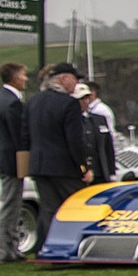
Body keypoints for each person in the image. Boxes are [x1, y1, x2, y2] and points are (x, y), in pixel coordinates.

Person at [26, 62, 97, 229]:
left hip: (39, 167)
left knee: (48, 211)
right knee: (75, 208)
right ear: (63, 79)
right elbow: (75, 140)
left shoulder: (33, 101)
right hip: (64, 169)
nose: (77, 84)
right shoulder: (69, 103)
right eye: (75, 79)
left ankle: (46, 249)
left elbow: (25, 135)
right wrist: (83, 168)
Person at [0, 62, 29, 261]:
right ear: (14, 78)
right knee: (11, 206)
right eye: (23, 75)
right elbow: (18, 135)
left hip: (3, 158)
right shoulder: (11, 102)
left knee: (11, 204)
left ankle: (11, 249)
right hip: (12, 161)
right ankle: (6, 251)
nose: (26, 79)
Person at [78, 81, 117, 180]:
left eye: (87, 98)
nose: (85, 101)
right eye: (81, 99)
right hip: (82, 176)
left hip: (101, 173)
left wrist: (112, 172)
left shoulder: (100, 119)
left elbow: (108, 147)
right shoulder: (72, 121)